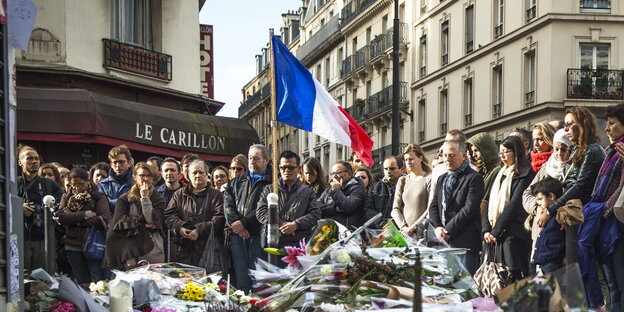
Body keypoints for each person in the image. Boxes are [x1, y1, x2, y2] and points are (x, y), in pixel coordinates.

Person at [534, 108, 605, 309]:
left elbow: (580, 186)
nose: (566, 128)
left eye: (570, 123)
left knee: (576, 271)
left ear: (583, 125)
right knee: (555, 262)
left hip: (579, 216)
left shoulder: (593, 150)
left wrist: (551, 209)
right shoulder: (577, 150)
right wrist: (544, 206)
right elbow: (564, 183)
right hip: (567, 217)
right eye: (564, 124)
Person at [584, 103, 624, 311]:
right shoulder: (612, 152)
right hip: (606, 223)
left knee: (619, 282)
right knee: (612, 285)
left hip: (617, 224)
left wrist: (603, 211)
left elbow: (621, 189)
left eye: (611, 123)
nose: (607, 129)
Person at [482, 136, 536, 281]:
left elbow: (515, 204)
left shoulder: (527, 174)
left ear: (516, 152)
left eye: (506, 152)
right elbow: (490, 202)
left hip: (514, 235)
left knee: (514, 277)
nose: (502, 156)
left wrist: (496, 231)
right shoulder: (500, 173)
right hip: (495, 236)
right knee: (497, 279)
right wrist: (487, 229)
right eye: (500, 153)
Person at [429, 139, 484, 275]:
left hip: (464, 243)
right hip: (443, 243)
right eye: (445, 155)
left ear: (464, 155)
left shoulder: (473, 178)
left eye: (452, 155)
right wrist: (437, 227)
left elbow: (469, 209)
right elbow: (434, 205)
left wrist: (448, 231)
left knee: (465, 289)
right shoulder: (442, 178)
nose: (447, 159)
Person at [224, 144, 272, 293]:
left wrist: (244, 223)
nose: (252, 161)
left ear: (266, 160)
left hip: (259, 236)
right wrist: (236, 224)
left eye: (256, 159)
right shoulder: (236, 181)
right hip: (238, 236)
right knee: (241, 281)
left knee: (259, 283)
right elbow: (227, 203)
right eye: (250, 158)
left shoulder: (272, 182)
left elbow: (265, 208)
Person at [257, 151, 321, 262]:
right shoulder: (269, 189)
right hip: (272, 244)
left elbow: (315, 214)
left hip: (296, 246)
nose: (287, 170)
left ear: (298, 168)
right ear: (279, 169)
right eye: (283, 167)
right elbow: (261, 212)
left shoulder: (308, 192)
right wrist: (280, 223)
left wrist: (296, 224)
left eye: (291, 168)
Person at [522, 129, 572, 267]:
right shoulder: (547, 167)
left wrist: (551, 209)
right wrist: (538, 207)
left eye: (564, 149)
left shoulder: (574, 167)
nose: (559, 153)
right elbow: (527, 194)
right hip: (541, 231)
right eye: (556, 149)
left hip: (560, 234)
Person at [104, 162, 166, 270]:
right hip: (131, 248)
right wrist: (143, 225)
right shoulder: (125, 199)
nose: (145, 179)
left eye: (149, 176)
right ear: (135, 177)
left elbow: (151, 219)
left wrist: (145, 198)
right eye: (142, 175)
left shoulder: (159, 199)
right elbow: (119, 222)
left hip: (152, 247)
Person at [165, 160, 225, 267]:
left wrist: (199, 230)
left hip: (207, 249)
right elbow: (169, 215)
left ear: (207, 175)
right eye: (194, 173)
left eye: (201, 172)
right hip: (182, 249)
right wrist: (180, 227)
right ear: (188, 175)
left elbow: (220, 218)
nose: (198, 175)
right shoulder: (179, 194)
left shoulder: (216, 195)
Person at [58, 167, 109, 284]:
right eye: (73, 184)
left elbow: (103, 219)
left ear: (88, 181)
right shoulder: (67, 196)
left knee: (96, 281)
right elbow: (61, 217)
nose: (77, 188)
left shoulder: (98, 196)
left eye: (80, 184)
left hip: (93, 244)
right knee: (81, 281)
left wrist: (74, 218)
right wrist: (86, 214)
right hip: (73, 244)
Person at [17, 145, 63, 272]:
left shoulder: (50, 185)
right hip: (20, 238)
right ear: (20, 162)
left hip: (44, 238)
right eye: (30, 158)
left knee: (45, 279)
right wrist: (18, 207)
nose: (34, 161)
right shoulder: (13, 184)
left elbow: (60, 210)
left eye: (37, 159)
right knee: (21, 277)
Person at [392, 144, 432, 236]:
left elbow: (430, 208)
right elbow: (395, 208)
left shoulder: (429, 178)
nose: (408, 162)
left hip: (424, 232)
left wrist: (413, 227)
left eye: (411, 159)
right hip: (405, 233)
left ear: (421, 158)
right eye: (406, 160)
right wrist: (404, 227)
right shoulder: (403, 180)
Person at [530, 177, 565, 275]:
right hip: (543, 262)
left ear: (551, 196)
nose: (538, 203)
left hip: (553, 262)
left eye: (540, 199)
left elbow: (568, 237)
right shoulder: (546, 215)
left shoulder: (561, 214)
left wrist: (566, 255)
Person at [320, 161, 367, 229]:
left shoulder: (357, 189)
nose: (334, 176)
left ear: (349, 173)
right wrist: (334, 209)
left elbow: (348, 206)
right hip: (328, 230)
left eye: (338, 173)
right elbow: (317, 206)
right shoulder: (329, 189)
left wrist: (336, 191)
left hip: (348, 232)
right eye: (332, 173)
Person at [156, 157, 184, 262]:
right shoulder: (155, 193)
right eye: (166, 170)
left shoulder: (187, 193)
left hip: (182, 240)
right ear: (161, 173)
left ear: (179, 173)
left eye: (172, 170)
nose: (169, 173)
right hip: (161, 239)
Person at [466, 132, 502, 216]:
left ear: (486, 149)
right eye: (472, 151)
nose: (474, 155)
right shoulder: (482, 173)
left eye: (476, 150)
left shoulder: (497, 170)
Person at [364, 156, 403, 228]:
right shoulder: (374, 188)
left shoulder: (408, 185)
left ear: (401, 169)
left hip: (404, 228)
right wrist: (382, 223)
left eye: (392, 168)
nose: (388, 171)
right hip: (382, 230)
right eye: (386, 169)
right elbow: (368, 209)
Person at [98, 145, 134, 214]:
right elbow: (101, 207)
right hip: (108, 223)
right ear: (111, 164)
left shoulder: (136, 183)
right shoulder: (102, 184)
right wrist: (124, 201)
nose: (118, 165)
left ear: (129, 163)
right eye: (115, 162)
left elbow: (133, 206)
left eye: (121, 162)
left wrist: (110, 202)